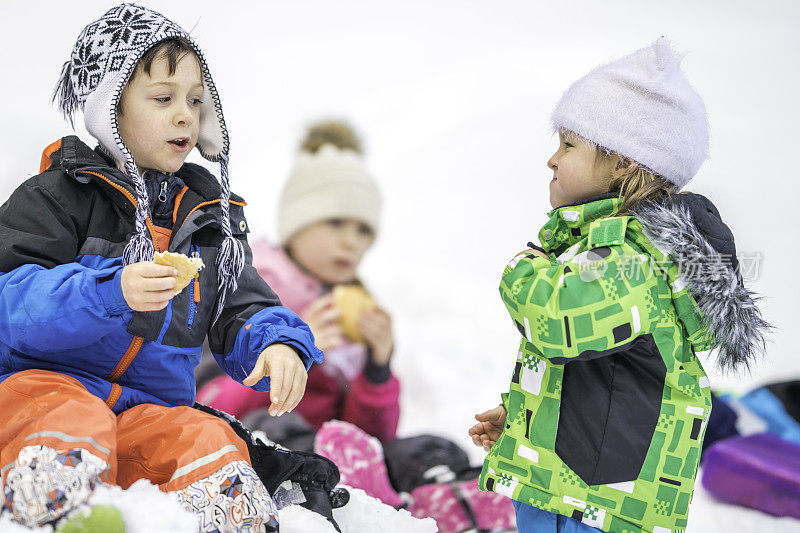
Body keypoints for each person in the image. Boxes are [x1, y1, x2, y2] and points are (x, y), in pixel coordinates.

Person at [0, 4, 323, 532]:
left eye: (195, 101)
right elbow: (10, 300)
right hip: (37, 388)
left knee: (207, 437)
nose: (185, 116)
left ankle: (232, 516)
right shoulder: (58, 196)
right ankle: (53, 510)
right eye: (163, 99)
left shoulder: (208, 220)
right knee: (72, 419)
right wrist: (107, 292)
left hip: (144, 409)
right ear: (112, 109)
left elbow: (243, 304)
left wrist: (276, 342)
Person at [469, 39, 773, 533]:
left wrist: (524, 266)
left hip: (595, 504)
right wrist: (527, 418)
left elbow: (557, 322)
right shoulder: (614, 251)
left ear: (626, 162)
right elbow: (602, 373)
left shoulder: (633, 259)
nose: (552, 160)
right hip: (576, 484)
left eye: (568, 145)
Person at [196, 120, 399, 450]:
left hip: (333, 455)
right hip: (261, 445)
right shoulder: (248, 287)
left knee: (421, 448)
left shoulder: (358, 308)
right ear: (296, 223)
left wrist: (378, 367)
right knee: (280, 431)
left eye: (364, 230)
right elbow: (210, 404)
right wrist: (299, 349)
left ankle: (452, 486)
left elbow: (371, 440)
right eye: (335, 222)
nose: (351, 242)